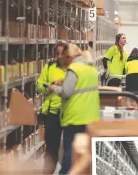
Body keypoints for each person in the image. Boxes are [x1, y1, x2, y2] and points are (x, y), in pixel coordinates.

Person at [48, 44, 100, 175]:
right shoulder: (91, 68)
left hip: (75, 117)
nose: (64, 61)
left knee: (70, 152)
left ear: (70, 57)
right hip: (91, 117)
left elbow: (66, 92)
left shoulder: (74, 69)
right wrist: (65, 81)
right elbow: (81, 87)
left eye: (65, 57)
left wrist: (53, 88)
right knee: (84, 152)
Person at [36, 41, 68, 174]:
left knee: (69, 149)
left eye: (63, 54)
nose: (59, 56)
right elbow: (39, 86)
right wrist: (51, 85)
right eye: (57, 53)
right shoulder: (49, 67)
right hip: (52, 114)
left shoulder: (74, 68)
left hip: (69, 115)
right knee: (51, 150)